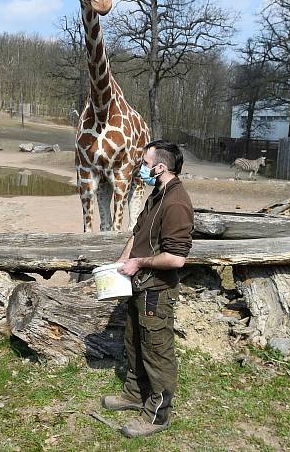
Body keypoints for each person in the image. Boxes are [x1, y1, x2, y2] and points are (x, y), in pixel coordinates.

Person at [101, 140, 194, 438]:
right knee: (134, 342)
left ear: (161, 167)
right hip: (139, 285)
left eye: (144, 163)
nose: (141, 168)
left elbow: (177, 258)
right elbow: (138, 232)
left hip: (156, 289)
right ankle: (134, 393)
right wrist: (122, 261)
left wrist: (138, 262)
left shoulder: (177, 202)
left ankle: (157, 415)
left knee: (157, 351)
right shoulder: (158, 193)